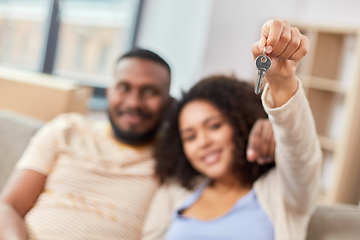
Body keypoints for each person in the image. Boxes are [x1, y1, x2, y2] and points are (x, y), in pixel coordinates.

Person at [0, 48, 275, 239]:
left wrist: (266, 126)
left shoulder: (177, 159)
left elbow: (230, 156)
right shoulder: (67, 129)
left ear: (170, 104)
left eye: (149, 92)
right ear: (109, 91)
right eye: (124, 87)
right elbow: (8, 205)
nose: (133, 102)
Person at [142, 20, 322, 240]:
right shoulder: (175, 191)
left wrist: (281, 82)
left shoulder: (282, 191)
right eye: (190, 136)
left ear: (241, 125)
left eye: (214, 126)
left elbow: (301, 151)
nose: (203, 142)